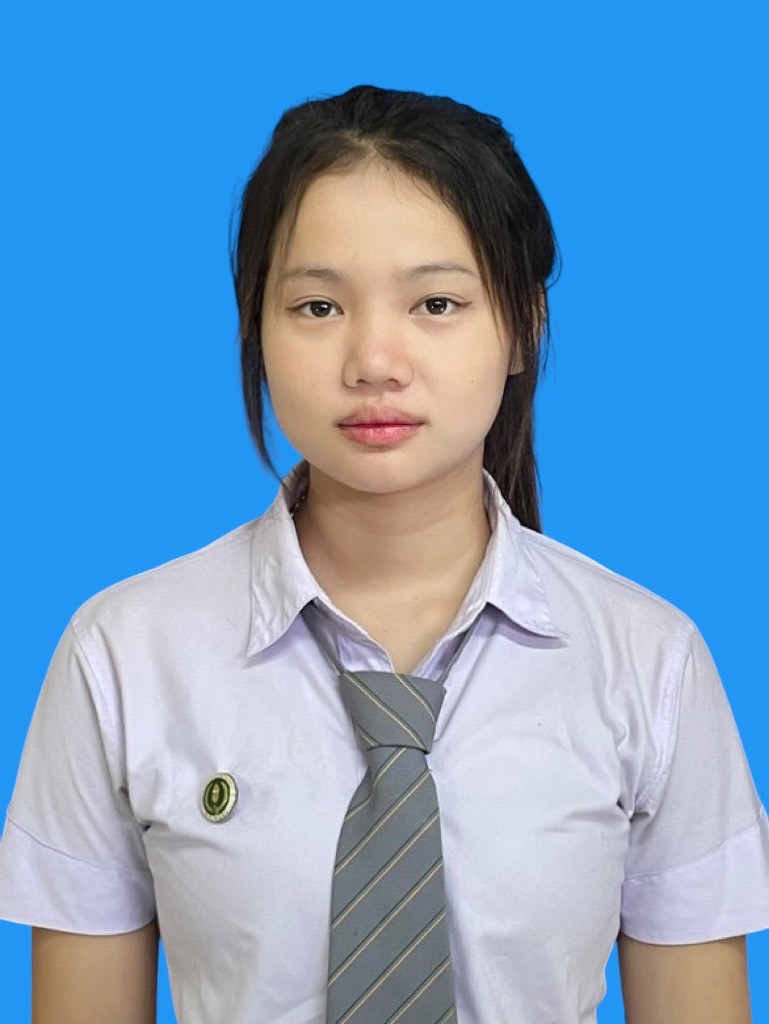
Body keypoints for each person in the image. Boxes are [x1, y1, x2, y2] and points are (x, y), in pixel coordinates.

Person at [0, 84, 768, 1024]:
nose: (373, 360)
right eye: (317, 306)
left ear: (522, 325)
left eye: (435, 303)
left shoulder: (648, 662)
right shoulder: (123, 656)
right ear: (255, 325)